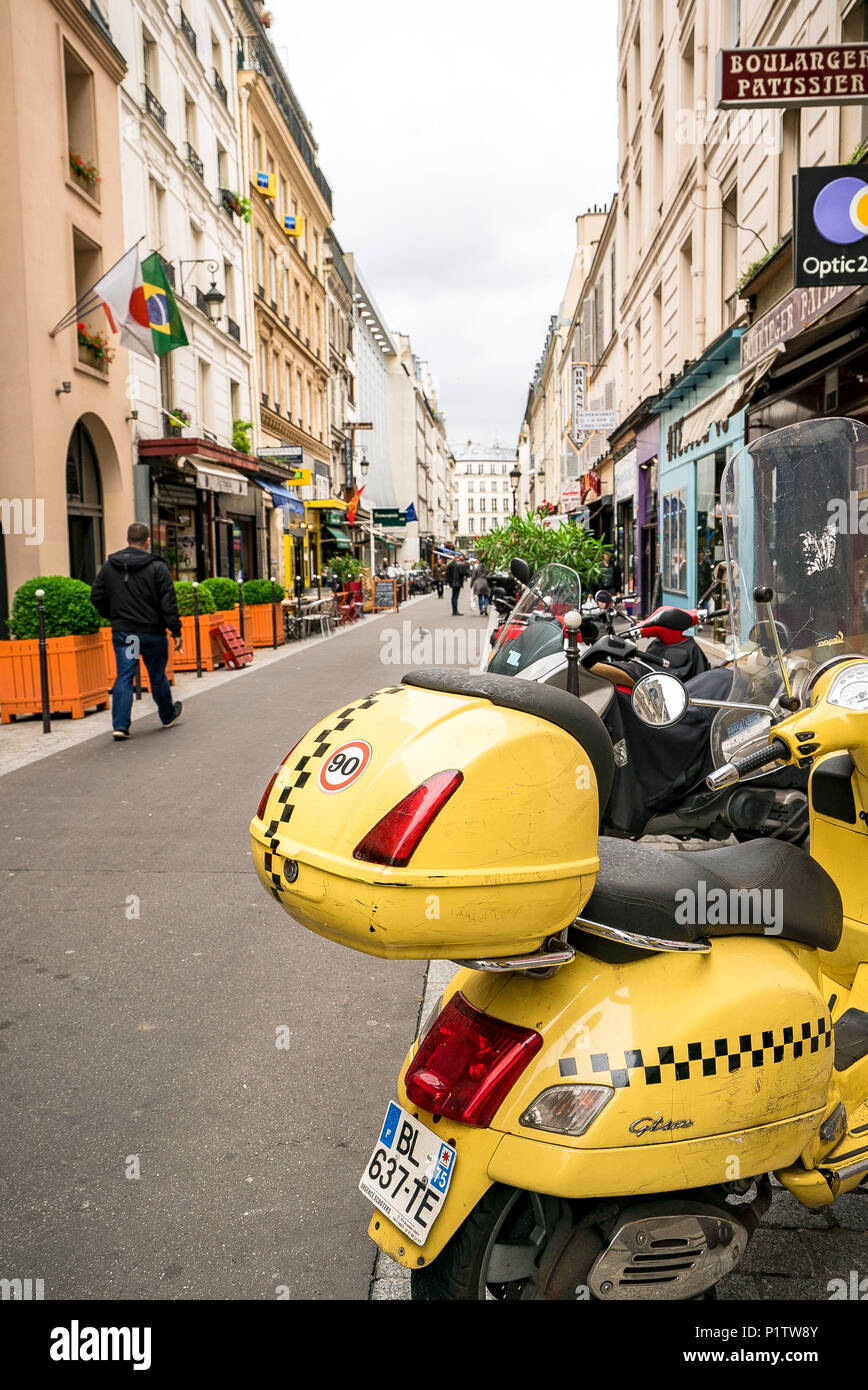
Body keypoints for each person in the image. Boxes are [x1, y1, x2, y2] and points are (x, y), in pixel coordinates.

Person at [90, 523, 184, 741]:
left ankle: (120, 726)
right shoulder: (157, 567)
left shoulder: (110, 566)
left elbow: (96, 597)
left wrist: (114, 616)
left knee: (125, 675)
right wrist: (175, 631)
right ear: (148, 540)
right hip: (152, 633)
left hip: (127, 635)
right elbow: (168, 603)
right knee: (157, 675)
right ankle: (167, 715)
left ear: (127, 539)